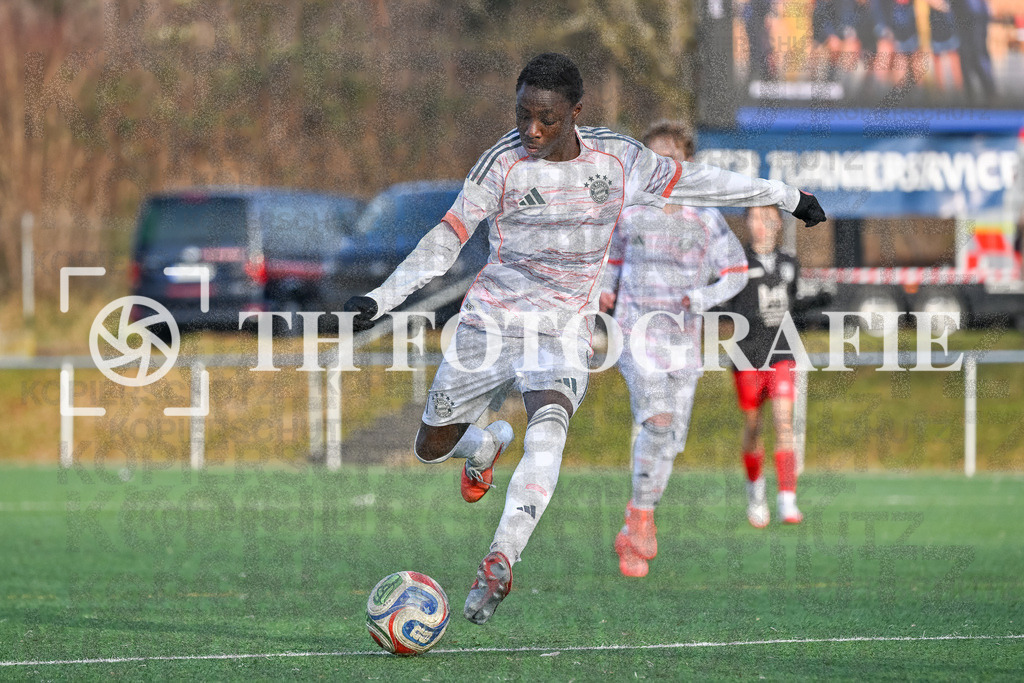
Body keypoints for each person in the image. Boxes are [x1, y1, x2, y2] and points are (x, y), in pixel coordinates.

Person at [344, 53, 826, 624]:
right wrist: (379, 300)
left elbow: (699, 183)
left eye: (546, 118)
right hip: (491, 322)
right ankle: (484, 444)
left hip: (562, 328)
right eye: (523, 115)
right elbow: (445, 240)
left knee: (549, 430)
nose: (531, 130)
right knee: (430, 446)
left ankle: (502, 555)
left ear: (576, 112)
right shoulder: (500, 164)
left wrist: (785, 196)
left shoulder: (619, 160)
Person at [599, 120, 749, 578]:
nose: (662, 165)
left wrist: (703, 298)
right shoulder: (628, 207)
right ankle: (640, 518)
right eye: (653, 156)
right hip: (635, 330)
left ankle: (637, 520)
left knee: (669, 440)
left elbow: (737, 270)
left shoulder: (704, 215)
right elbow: (609, 256)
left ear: (687, 161)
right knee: (658, 420)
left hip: (684, 341)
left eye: (671, 155)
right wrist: (602, 292)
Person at [723, 205, 829, 528]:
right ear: (747, 223)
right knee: (754, 428)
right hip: (747, 357)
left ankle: (787, 500)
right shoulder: (737, 264)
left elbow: (793, 304)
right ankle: (756, 494)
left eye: (768, 217)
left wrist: (820, 300)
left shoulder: (789, 263)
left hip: (782, 353)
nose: (761, 224)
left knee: (785, 424)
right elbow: (723, 302)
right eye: (755, 217)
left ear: (779, 224)